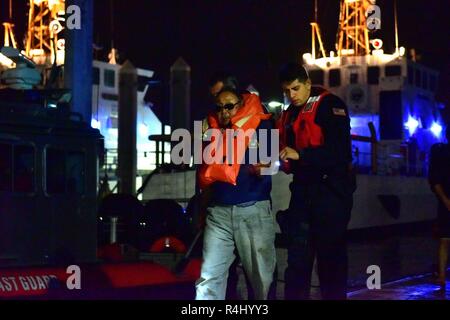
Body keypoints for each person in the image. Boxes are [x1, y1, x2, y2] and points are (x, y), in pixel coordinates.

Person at [276, 62, 355, 300]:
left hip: (330, 193)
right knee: (297, 262)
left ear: (308, 83)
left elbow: (341, 152)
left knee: (331, 263)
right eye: (287, 90)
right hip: (302, 193)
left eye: (296, 88)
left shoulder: (330, 105)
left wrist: (301, 155)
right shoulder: (289, 113)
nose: (292, 95)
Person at [195, 86, 276, 300]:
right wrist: (202, 211)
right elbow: (202, 171)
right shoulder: (209, 129)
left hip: (253, 212)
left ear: (240, 105)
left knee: (262, 280)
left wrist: (264, 166)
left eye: (229, 106)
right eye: (220, 107)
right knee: (208, 278)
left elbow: (272, 165)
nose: (224, 112)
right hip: (218, 214)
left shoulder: (262, 125)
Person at [429, 126, 450, 287]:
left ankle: (442, 275)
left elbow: (435, 181)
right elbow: (435, 181)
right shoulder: (441, 153)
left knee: (444, 240)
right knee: (444, 240)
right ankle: (442, 275)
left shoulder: (439, 152)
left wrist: (444, 200)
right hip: (446, 202)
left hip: (445, 203)